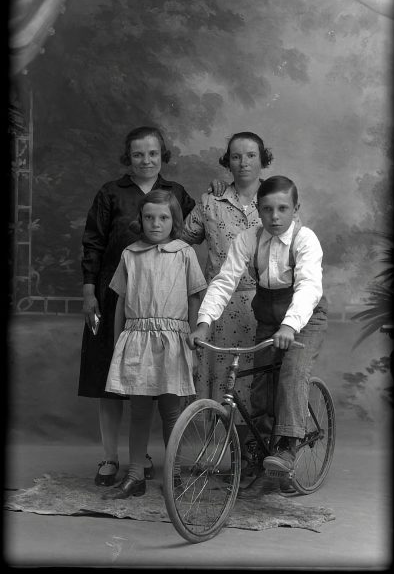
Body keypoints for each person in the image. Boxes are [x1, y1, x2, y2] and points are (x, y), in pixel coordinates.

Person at [79, 126, 223, 487]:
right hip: (120, 302)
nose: (146, 160)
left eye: (153, 153)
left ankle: (158, 464)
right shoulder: (111, 193)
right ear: (128, 157)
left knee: (167, 398)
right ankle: (115, 458)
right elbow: (93, 243)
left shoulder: (176, 196)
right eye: (138, 154)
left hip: (170, 316)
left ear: (163, 156)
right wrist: (88, 292)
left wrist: (220, 192)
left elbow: (197, 224)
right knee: (115, 385)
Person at [189, 176, 328, 498]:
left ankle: (288, 447)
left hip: (305, 318)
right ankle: (265, 465)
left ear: (296, 209)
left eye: (282, 209)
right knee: (260, 388)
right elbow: (225, 281)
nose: (275, 217)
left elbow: (308, 287)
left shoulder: (305, 240)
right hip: (267, 316)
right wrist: (204, 323)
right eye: (267, 209)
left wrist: (290, 326)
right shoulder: (248, 239)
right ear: (258, 210)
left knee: (291, 373)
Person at [101, 190, 207, 499]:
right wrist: (119, 341)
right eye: (149, 217)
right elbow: (121, 302)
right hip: (137, 338)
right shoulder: (130, 254)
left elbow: (194, 297)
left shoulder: (184, 252)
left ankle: (172, 474)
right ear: (141, 219)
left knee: (171, 410)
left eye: (163, 218)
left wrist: (192, 339)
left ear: (174, 221)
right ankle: (135, 475)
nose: (155, 223)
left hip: (173, 339)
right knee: (139, 411)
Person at [182, 132, 273, 471]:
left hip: (262, 306)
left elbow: (295, 247)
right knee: (221, 382)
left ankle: (255, 457)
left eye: (251, 155)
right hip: (219, 305)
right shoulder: (211, 202)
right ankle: (226, 456)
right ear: (227, 162)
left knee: (255, 382)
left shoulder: (274, 199)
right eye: (236, 156)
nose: (243, 162)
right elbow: (181, 238)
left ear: (262, 159)